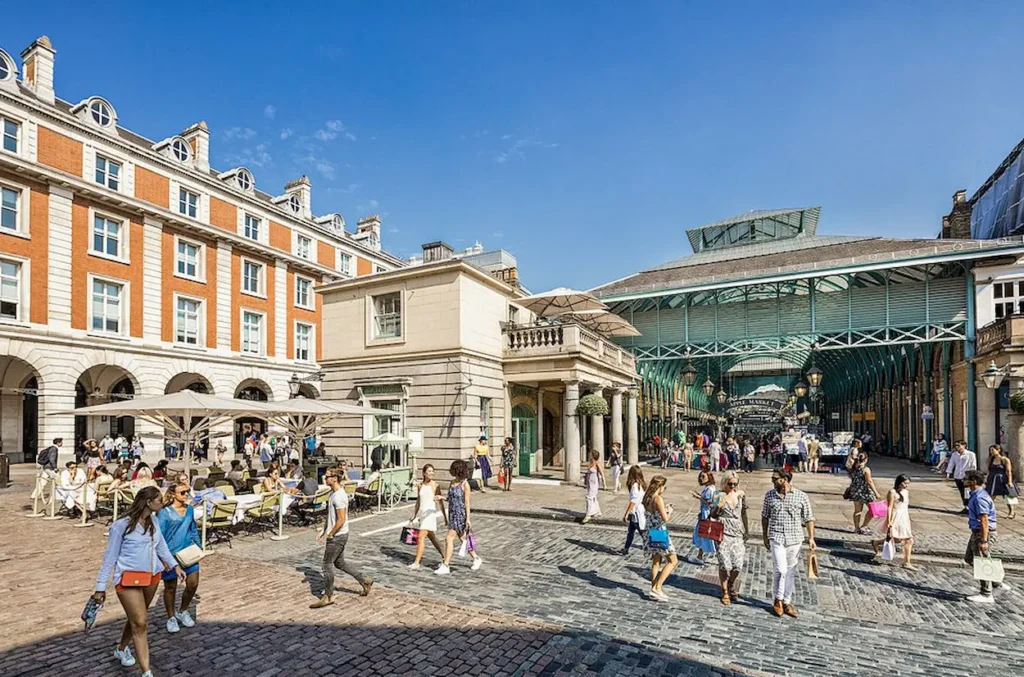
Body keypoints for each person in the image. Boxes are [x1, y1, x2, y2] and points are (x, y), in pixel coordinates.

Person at [93, 486, 180, 677]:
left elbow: (162, 546)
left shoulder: (154, 521)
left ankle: (122, 647)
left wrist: (174, 565)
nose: (162, 502)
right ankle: (146, 671)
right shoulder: (121, 526)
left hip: (151, 576)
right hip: (128, 578)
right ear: (149, 502)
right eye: (159, 500)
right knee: (141, 621)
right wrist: (100, 588)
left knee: (136, 619)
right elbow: (109, 558)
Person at [310, 469, 373, 608]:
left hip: (338, 536)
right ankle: (364, 580)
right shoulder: (333, 494)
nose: (324, 478)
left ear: (334, 478)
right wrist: (324, 530)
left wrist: (331, 533)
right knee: (340, 563)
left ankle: (328, 595)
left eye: (327, 476)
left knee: (326, 565)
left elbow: (341, 519)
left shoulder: (339, 496)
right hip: (338, 534)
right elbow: (330, 516)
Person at [761, 467, 816, 618]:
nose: (772, 482)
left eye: (775, 479)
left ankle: (787, 601)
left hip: (795, 538)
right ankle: (778, 600)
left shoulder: (801, 496)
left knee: (790, 571)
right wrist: (765, 536)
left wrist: (811, 538)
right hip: (776, 536)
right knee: (780, 569)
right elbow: (765, 517)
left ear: (784, 480)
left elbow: (809, 518)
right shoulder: (769, 496)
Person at [158, 480, 202, 634]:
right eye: (182, 492)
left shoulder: (189, 509)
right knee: (170, 587)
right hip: (171, 554)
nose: (186, 495)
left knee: (193, 584)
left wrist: (199, 547)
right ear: (173, 494)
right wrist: (162, 558)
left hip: (189, 551)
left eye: (187, 491)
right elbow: (160, 535)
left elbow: (193, 529)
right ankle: (171, 616)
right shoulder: (164, 513)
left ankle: (182, 610)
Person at [435, 460, 482, 574]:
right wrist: (442, 498)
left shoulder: (465, 484)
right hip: (452, 513)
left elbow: (466, 502)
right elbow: (451, 499)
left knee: (449, 538)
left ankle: (446, 564)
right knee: (463, 539)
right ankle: (476, 558)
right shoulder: (452, 483)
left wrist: (468, 519)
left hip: (460, 514)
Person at [964, 470, 1003, 604]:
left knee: (982, 563)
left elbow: (984, 520)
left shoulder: (980, 497)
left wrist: (984, 540)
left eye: (967, 479)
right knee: (969, 558)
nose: (964, 480)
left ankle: (986, 593)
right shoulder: (976, 494)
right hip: (976, 532)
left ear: (973, 482)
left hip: (982, 533)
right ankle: (997, 583)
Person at [712, 471, 749, 605]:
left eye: (735, 483)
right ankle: (725, 591)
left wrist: (747, 530)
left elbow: (744, 513)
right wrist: (718, 507)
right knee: (725, 564)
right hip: (723, 533)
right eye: (730, 484)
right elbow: (712, 514)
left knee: (737, 565)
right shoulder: (718, 495)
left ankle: (731, 583)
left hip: (738, 533)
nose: (732, 486)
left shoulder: (741, 495)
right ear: (724, 482)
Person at [642, 475, 678, 601]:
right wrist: (670, 510)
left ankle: (654, 588)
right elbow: (665, 519)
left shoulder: (647, 498)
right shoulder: (658, 499)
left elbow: (653, 514)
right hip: (659, 532)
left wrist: (664, 509)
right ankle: (657, 587)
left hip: (650, 532)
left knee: (656, 561)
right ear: (660, 486)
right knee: (673, 561)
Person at [870, 474, 915, 569]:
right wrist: (889, 521)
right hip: (896, 517)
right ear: (899, 482)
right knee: (905, 539)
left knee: (902, 539)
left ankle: (877, 542)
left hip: (904, 517)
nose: (906, 485)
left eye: (908, 483)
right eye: (905, 483)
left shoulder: (906, 492)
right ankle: (906, 562)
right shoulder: (892, 492)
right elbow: (890, 507)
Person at [407, 464, 445, 569]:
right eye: (429, 471)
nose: (431, 473)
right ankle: (445, 556)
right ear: (424, 473)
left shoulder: (435, 485)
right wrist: (414, 515)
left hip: (430, 514)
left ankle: (417, 562)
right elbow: (418, 501)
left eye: (432, 471)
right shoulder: (420, 485)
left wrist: (445, 517)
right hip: (423, 514)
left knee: (420, 537)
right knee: (432, 537)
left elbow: (440, 503)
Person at [846, 452, 881, 534]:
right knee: (873, 510)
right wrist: (876, 493)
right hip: (866, 492)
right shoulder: (866, 469)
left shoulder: (854, 468)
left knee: (857, 511)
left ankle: (857, 528)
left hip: (856, 491)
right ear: (866, 460)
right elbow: (869, 481)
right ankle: (864, 526)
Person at [689, 471, 717, 565]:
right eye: (700, 476)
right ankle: (700, 556)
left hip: (707, 514)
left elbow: (709, 503)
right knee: (703, 535)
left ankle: (701, 556)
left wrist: (698, 497)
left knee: (704, 535)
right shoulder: (709, 488)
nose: (701, 478)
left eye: (703, 476)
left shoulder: (710, 489)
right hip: (705, 513)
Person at [985, 444, 1016, 520]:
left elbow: (1008, 471)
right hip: (993, 478)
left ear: (998, 450)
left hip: (1002, 479)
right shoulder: (991, 460)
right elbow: (989, 470)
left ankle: (1011, 512)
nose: (991, 452)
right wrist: (986, 479)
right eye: (990, 450)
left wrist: (1010, 481)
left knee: (1007, 496)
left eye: (993, 450)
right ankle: (987, 511)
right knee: (991, 495)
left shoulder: (1005, 459)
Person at [946, 440, 977, 514]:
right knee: (961, 492)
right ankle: (965, 506)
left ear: (964, 446)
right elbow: (951, 464)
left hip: (966, 476)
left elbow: (973, 465)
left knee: (967, 492)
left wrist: (972, 475)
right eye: (956, 446)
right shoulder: (954, 454)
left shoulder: (970, 454)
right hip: (957, 475)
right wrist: (948, 473)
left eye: (959, 445)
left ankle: (971, 507)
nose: (957, 447)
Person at [621, 465, 647, 555]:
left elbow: (633, 502)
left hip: (636, 512)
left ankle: (651, 547)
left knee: (641, 532)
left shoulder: (635, 486)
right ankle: (626, 548)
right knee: (631, 531)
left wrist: (626, 513)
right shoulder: (642, 485)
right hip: (639, 510)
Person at [581, 450, 605, 524]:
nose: (589, 455)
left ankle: (588, 514)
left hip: (595, 483)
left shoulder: (597, 463)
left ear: (593, 456)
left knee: (589, 497)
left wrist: (604, 483)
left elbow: (602, 473)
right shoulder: (591, 463)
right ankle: (597, 511)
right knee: (593, 497)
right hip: (589, 483)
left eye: (590, 454)